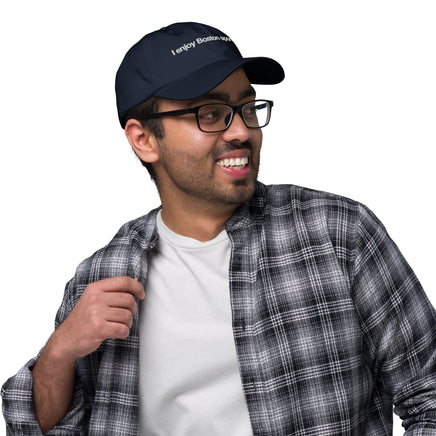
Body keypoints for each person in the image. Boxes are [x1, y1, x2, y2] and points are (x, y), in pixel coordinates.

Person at [2, 21, 436, 436]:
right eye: (211, 113)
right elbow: (38, 429)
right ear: (143, 139)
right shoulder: (101, 276)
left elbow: (429, 397)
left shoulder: (338, 235)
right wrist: (58, 352)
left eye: (247, 107)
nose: (242, 131)